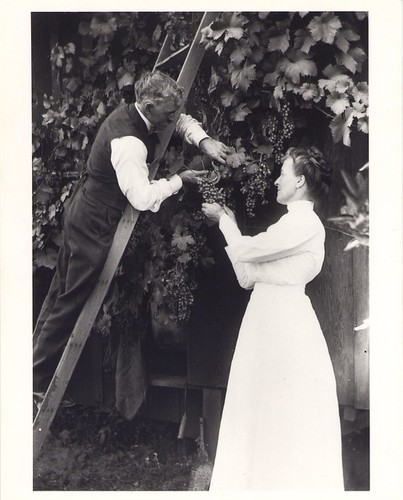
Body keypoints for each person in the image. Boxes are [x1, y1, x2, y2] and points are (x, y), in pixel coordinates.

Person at [33, 70, 230, 407]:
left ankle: (27, 374)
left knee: (59, 295)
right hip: (92, 221)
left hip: (85, 210)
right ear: (149, 106)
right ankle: (33, 382)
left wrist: (203, 140)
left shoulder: (146, 112)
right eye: (167, 112)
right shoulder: (130, 144)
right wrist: (179, 180)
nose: (172, 117)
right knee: (71, 300)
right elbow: (141, 199)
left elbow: (180, 120)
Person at [202, 146, 344, 491]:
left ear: (299, 180)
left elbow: (246, 250)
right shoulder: (287, 225)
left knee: (284, 411)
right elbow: (247, 276)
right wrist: (232, 226)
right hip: (262, 323)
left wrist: (224, 221)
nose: (277, 179)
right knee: (255, 408)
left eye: (283, 172)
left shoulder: (305, 223)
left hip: (287, 327)